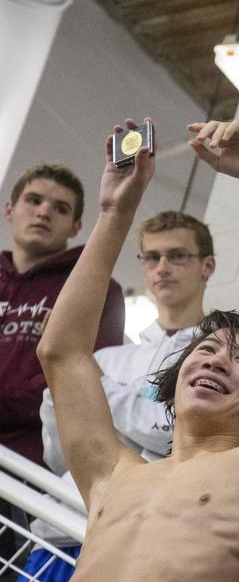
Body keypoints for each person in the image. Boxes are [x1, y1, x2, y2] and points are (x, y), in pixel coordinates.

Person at [36, 118, 239, 580]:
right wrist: (115, 212)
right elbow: (61, 352)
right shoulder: (111, 473)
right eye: (208, 348)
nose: (217, 358)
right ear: (171, 388)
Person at [27, 211, 216, 578]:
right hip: (60, 529)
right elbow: (62, 452)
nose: (162, 267)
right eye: (152, 257)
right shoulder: (107, 358)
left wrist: (93, 385)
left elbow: (167, 433)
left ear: (207, 265)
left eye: (177, 255)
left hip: (141, 535)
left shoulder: (214, 361)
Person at [1, 164, 123, 467]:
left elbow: (84, 382)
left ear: (75, 226)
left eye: (60, 208)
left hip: (26, 468)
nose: (44, 212)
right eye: (33, 200)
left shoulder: (96, 291)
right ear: (9, 209)